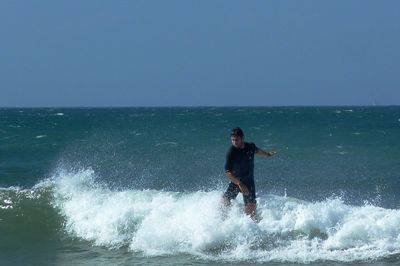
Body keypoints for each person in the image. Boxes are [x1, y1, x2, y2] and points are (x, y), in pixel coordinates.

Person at [222, 127, 277, 220]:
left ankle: (250, 228)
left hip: (249, 182)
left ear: (242, 138)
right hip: (236, 182)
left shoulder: (250, 146)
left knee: (251, 211)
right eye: (232, 140)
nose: (235, 142)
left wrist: (267, 154)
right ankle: (223, 221)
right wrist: (239, 184)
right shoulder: (231, 152)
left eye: (237, 140)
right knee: (225, 201)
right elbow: (227, 172)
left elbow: (256, 150)